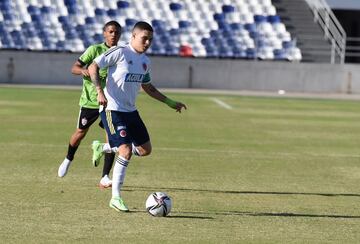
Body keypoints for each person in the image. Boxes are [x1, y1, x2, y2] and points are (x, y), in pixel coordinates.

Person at [88, 21, 187, 212]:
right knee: (125, 151)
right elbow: (93, 66)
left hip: (131, 111)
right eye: (144, 38)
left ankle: (103, 147)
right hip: (112, 109)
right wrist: (99, 91)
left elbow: (147, 87)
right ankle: (115, 197)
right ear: (133, 36)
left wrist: (169, 102)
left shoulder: (145, 62)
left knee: (145, 150)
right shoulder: (119, 52)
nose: (148, 42)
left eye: (150, 39)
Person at [57, 21, 122, 188]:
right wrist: (83, 71)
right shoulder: (94, 50)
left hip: (111, 102)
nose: (114, 34)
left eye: (116, 32)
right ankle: (68, 159)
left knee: (111, 137)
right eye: (111, 31)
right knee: (80, 132)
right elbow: (74, 67)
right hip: (90, 101)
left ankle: (105, 176)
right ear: (105, 34)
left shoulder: (121, 53)